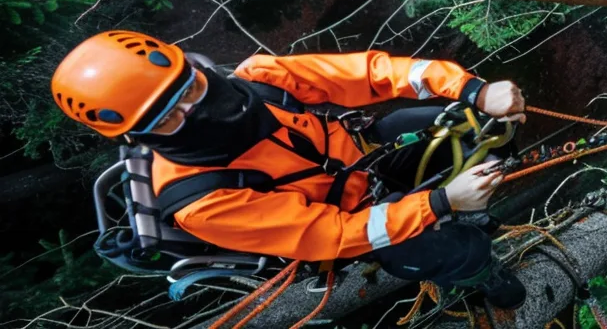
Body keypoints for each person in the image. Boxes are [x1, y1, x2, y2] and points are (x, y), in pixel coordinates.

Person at [52, 31, 529, 309]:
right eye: (168, 117)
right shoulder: (201, 200)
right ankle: (479, 271)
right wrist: (441, 203)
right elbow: (331, 234)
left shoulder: (258, 79)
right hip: (347, 224)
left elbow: (370, 73)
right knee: (441, 248)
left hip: (363, 156)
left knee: (465, 126)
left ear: (195, 66)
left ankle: (464, 204)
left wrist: (471, 90)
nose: (195, 111)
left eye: (192, 89)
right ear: (143, 137)